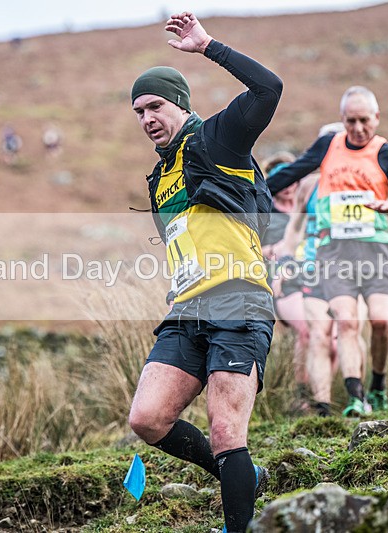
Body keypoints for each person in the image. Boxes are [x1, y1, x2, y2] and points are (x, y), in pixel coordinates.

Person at [127, 12, 282, 533]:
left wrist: (208, 46)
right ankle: (242, 475)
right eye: (139, 111)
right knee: (147, 419)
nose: (147, 117)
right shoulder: (158, 178)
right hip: (188, 310)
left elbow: (269, 88)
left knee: (225, 429)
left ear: (181, 104)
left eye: (155, 105)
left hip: (239, 300)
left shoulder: (220, 138)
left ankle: (236, 525)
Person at [268, 86, 388, 417]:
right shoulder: (315, 175)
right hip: (328, 259)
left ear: (376, 119)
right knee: (329, 329)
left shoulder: (383, 156)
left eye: (363, 121)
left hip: (373, 253)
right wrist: (246, 189)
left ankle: (375, 387)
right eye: (349, 122)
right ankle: (334, 401)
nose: (356, 130)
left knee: (376, 322)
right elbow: (294, 202)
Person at [259, 152, 313, 416]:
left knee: (331, 337)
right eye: (283, 178)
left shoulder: (308, 209)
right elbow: (249, 246)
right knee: (305, 331)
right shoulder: (264, 211)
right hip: (280, 282)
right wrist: (273, 249)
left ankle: (323, 395)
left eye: (292, 177)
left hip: (313, 278)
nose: (289, 184)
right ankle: (300, 396)